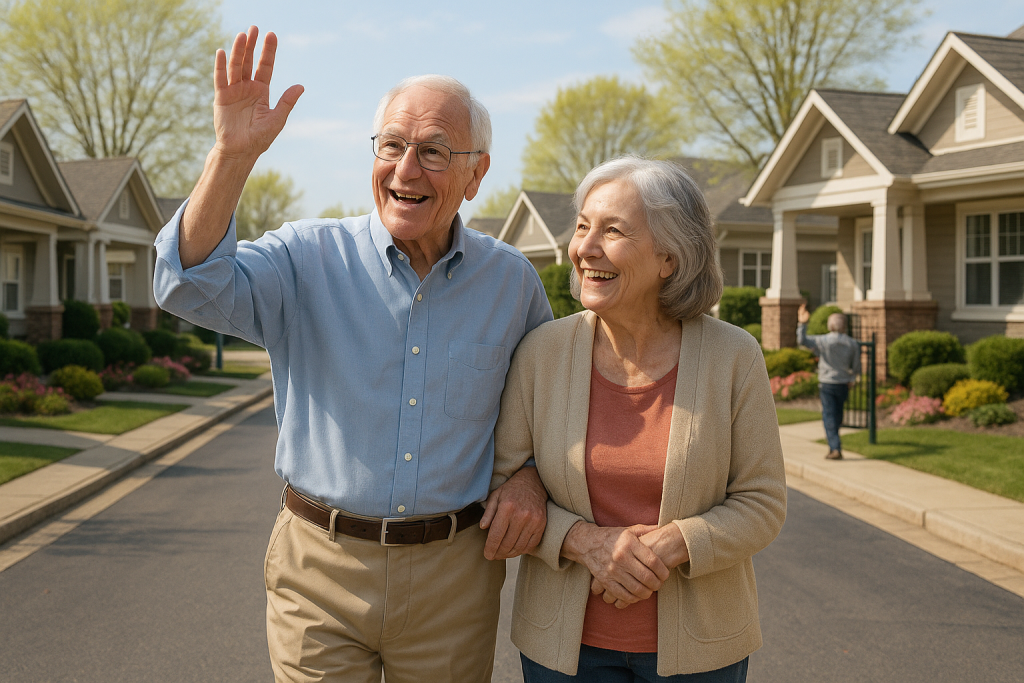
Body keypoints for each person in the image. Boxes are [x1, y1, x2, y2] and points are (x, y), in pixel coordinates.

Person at [152, 27, 553, 683]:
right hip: (319, 571)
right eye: (391, 146)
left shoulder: (513, 284)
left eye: (433, 151)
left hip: (453, 575)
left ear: (476, 173)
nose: (405, 170)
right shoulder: (306, 256)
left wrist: (531, 474)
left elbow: (550, 409)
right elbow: (185, 284)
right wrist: (230, 156)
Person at [491, 157, 788, 682]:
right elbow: (501, 486)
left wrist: (669, 545)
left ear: (669, 257)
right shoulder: (541, 353)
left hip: (701, 653)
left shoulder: (733, 356)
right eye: (582, 226)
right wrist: (585, 542)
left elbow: (762, 502)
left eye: (613, 230)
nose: (585, 247)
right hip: (563, 651)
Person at [797, 304, 861, 460]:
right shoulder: (852, 343)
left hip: (827, 383)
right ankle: (835, 443)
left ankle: (835, 448)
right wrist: (852, 378)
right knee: (837, 415)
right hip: (843, 383)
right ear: (845, 326)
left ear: (830, 325)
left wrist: (802, 324)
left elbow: (802, 340)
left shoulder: (823, 340)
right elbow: (857, 367)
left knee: (829, 415)